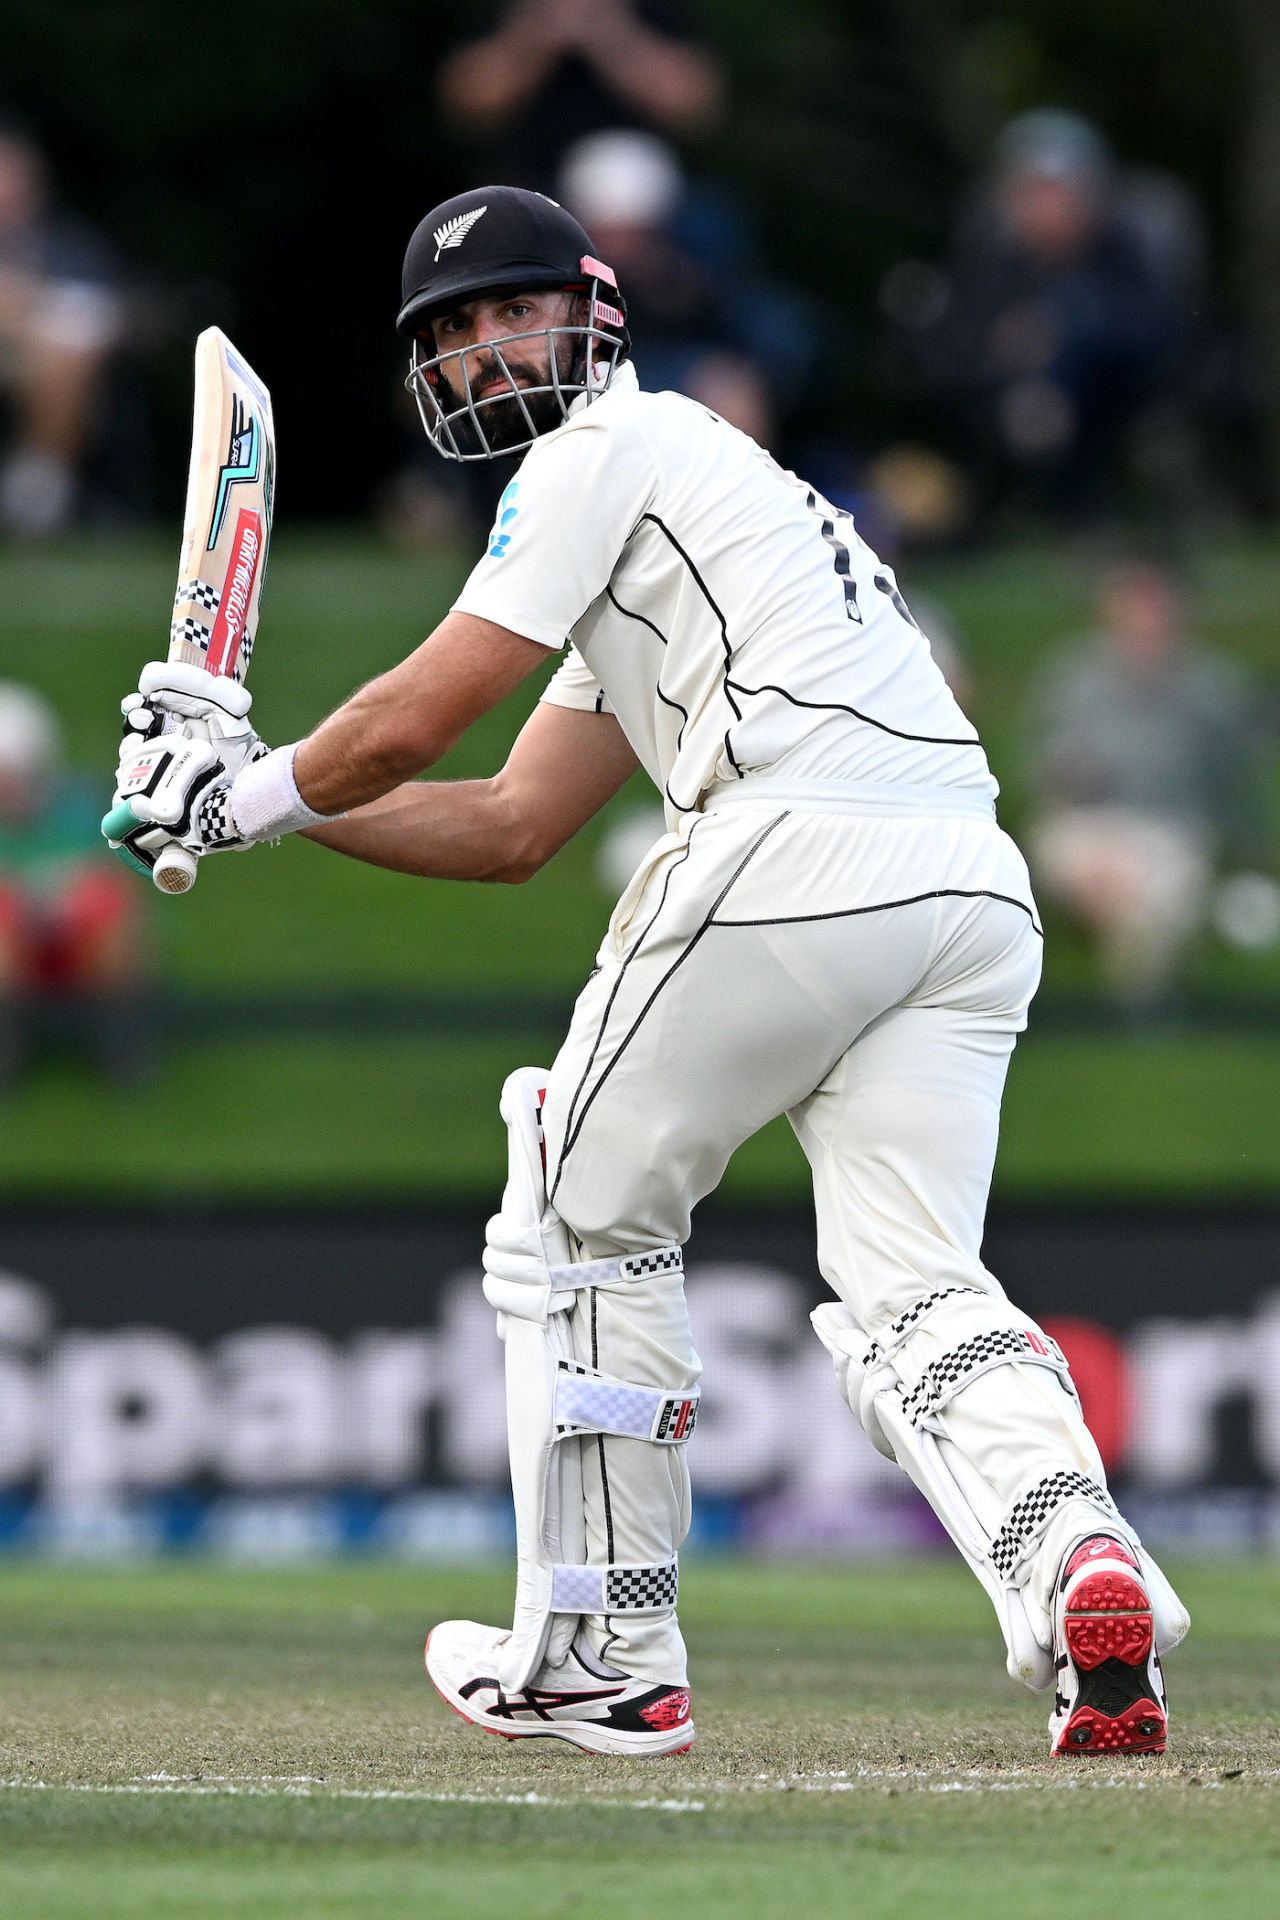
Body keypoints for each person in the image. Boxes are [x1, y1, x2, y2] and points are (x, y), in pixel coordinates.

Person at [104, 186, 1189, 1759]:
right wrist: (260, 794)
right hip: (963, 885)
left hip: (795, 847)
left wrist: (246, 793)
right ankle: (1081, 1569)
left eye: (509, 311)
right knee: (915, 1290)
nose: (486, 352)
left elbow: (415, 721)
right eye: (457, 335)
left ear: (593, 310)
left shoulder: (600, 456)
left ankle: (602, 1647)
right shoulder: (703, 507)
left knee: (573, 1200)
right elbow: (509, 824)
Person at [1023, 559, 1272, 1008]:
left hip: (1172, 832)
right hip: (1085, 826)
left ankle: (1131, 1005)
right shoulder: (1073, 679)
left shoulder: (1213, 689)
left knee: (1159, 896)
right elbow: (1047, 776)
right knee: (1082, 862)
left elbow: (1232, 782)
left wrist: (1249, 851)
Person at [0, 683, 149, 1083]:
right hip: (14, 952)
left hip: (78, 943)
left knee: (107, 907)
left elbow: (120, 885)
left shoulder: (85, 810)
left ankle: (122, 1053)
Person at [0, 117, 125, 539]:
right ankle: (37, 494)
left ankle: (36, 493)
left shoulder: (67, 244)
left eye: (14, 173)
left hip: (40, 367)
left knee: (67, 357)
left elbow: (99, 310)